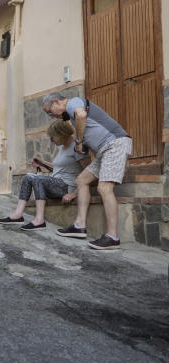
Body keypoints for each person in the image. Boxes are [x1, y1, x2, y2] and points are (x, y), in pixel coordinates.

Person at [43, 92, 132, 250]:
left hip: (115, 144)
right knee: (82, 180)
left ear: (56, 102)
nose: (51, 116)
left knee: (104, 188)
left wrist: (78, 141)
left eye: (49, 112)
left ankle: (112, 237)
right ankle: (79, 225)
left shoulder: (72, 103)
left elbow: (81, 114)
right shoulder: (70, 112)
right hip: (105, 150)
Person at [0, 120, 89, 229]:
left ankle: (39, 220)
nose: (51, 140)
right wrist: (42, 163)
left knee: (37, 179)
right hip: (56, 183)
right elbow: (60, 169)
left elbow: (89, 173)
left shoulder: (76, 148)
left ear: (61, 134)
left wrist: (73, 194)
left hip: (67, 187)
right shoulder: (62, 147)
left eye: (53, 137)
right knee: (28, 176)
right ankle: (18, 214)